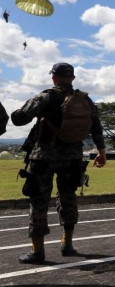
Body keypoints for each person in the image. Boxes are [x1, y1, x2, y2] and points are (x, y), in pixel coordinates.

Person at [11, 62, 107, 264]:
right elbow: (96, 128)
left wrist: (19, 111)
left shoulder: (46, 96)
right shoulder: (85, 100)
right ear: (72, 78)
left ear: (53, 77)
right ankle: (67, 245)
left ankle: (37, 252)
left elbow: (20, 119)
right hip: (73, 158)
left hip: (43, 158)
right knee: (68, 199)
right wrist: (101, 152)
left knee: (38, 202)